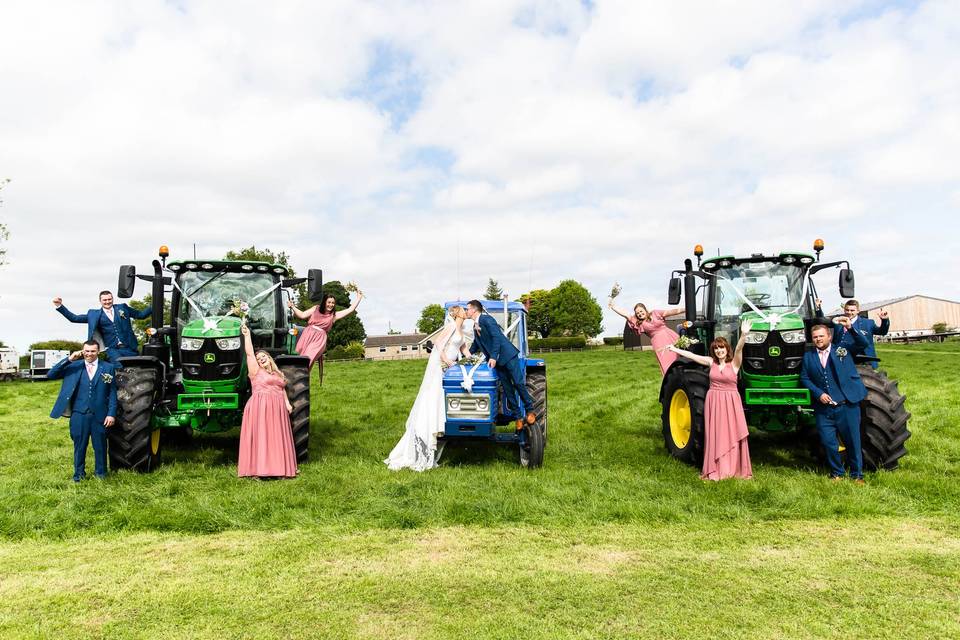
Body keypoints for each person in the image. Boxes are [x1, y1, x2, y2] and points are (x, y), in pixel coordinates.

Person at [385, 306, 472, 471]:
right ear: (457, 313)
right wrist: (445, 359)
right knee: (432, 398)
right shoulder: (451, 326)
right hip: (442, 366)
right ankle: (424, 439)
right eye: (464, 309)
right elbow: (439, 343)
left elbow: (464, 349)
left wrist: (474, 359)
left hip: (451, 368)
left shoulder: (461, 329)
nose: (466, 311)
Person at [667, 322, 753, 480]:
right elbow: (693, 357)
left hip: (731, 403)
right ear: (714, 351)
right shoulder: (710, 362)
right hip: (714, 402)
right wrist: (675, 349)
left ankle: (732, 468)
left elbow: (740, 348)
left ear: (727, 349)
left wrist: (743, 335)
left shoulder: (734, 365)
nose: (719, 351)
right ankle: (716, 467)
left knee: (732, 433)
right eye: (716, 348)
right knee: (716, 434)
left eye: (722, 348)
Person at [800, 320, 869, 483]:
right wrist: (818, 394)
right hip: (824, 409)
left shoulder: (842, 349)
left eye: (821, 336)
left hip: (846, 405)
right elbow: (804, 377)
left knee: (853, 442)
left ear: (829, 337)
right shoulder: (808, 356)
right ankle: (837, 473)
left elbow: (862, 343)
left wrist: (850, 328)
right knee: (829, 442)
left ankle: (856, 475)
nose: (818, 339)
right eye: (815, 337)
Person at [47, 340, 117, 482]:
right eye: (86, 351)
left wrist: (111, 413)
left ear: (98, 352)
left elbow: (113, 393)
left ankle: (101, 475)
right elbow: (51, 374)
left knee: (101, 447)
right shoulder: (74, 366)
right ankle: (79, 475)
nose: (89, 354)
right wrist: (69, 359)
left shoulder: (108, 367)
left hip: (100, 415)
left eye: (92, 351)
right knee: (79, 446)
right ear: (82, 351)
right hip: (79, 414)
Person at [237, 322, 298, 479]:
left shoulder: (277, 374)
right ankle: (259, 469)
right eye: (259, 358)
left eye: (263, 356)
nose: (260, 359)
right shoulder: (255, 371)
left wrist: (286, 403)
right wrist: (247, 335)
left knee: (276, 438)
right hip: (260, 406)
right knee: (262, 437)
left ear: (269, 358)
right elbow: (250, 354)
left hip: (277, 408)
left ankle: (280, 469)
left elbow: (281, 388)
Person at [466, 300, 536, 427]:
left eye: (468, 309)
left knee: (519, 383)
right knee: (507, 389)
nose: (466, 311)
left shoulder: (487, 320)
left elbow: (497, 337)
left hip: (507, 356)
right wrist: (465, 356)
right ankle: (518, 417)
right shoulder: (475, 326)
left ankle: (530, 410)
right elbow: (476, 344)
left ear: (474, 310)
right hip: (497, 362)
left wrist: (493, 356)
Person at [53, 291, 151, 366]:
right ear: (100, 301)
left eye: (109, 299)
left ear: (112, 299)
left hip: (130, 347)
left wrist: (156, 303)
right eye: (105, 300)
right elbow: (74, 318)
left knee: (136, 367)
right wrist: (60, 306)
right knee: (119, 367)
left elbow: (141, 315)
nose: (107, 302)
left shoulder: (123, 308)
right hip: (112, 349)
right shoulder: (94, 314)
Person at [288, 290, 363, 381]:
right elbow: (302, 315)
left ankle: (299, 378)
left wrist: (358, 298)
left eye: (333, 303)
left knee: (308, 357)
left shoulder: (333, 315)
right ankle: (299, 380)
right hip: (307, 335)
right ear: (324, 302)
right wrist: (292, 307)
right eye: (329, 302)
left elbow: (350, 309)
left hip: (319, 340)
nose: (331, 305)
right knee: (300, 357)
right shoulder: (316, 308)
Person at [609, 299, 684, 375]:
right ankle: (672, 380)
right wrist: (613, 307)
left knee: (682, 356)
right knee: (667, 362)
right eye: (637, 313)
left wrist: (685, 309)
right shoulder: (639, 323)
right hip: (659, 342)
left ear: (645, 310)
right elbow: (626, 315)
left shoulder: (655, 313)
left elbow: (670, 312)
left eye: (641, 311)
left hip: (670, 336)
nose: (640, 314)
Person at [831, 299, 889, 369]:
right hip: (843, 359)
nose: (849, 312)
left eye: (852, 310)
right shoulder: (838, 324)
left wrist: (885, 320)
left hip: (863, 361)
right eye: (847, 310)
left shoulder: (868, 323)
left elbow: (882, 332)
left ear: (858, 311)